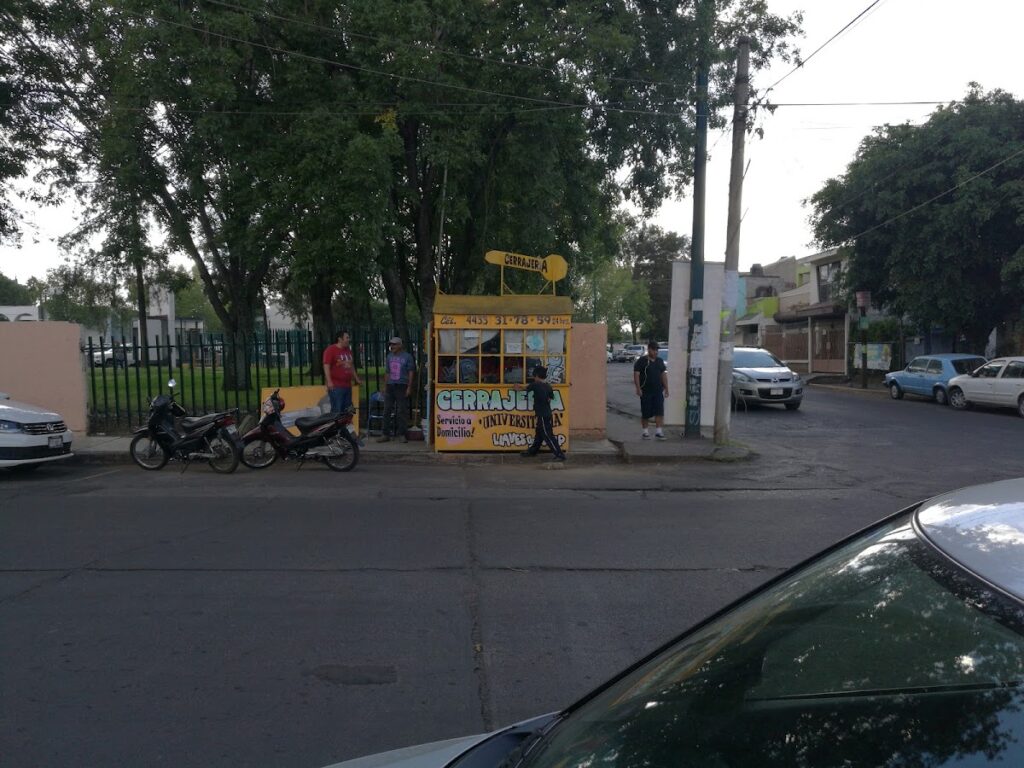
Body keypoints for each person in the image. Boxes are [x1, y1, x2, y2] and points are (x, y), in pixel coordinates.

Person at [518, 365, 566, 462]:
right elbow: (551, 397)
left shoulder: (535, 385)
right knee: (539, 434)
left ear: (536, 376)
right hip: (546, 414)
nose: (534, 378)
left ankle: (560, 455)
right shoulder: (548, 386)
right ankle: (533, 451)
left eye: (534, 376)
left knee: (548, 435)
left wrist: (517, 387)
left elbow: (525, 389)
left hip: (543, 415)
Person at [378, 336, 416, 443]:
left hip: (402, 385)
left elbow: (411, 372)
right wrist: (385, 386)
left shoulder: (407, 357)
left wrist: (409, 386)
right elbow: (387, 372)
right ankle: (385, 434)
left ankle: (402, 433)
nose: (392, 346)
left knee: (401, 410)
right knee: (386, 410)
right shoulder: (389, 356)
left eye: (394, 344)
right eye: (391, 344)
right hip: (390, 385)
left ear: (400, 345)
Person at [633, 341, 669, 440]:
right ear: (649, 349)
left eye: (657, 350)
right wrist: (638, 388)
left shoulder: (659, 361)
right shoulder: (642, 361)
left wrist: (666, 388)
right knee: (646, 412)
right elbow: (636, 375)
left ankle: (659, 432)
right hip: (646, 391)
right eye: (653, 349)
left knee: (659, 411)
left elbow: (663, 375)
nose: (655, 352)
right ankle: (645, 432)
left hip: (658, 391)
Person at [322, 330, 361, 414]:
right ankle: (336, 423)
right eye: (347, 338)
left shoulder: (348, 350)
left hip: (347, 385)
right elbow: (326, 365)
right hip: (336, 386)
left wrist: (356, 378)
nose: (348, 339)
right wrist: (329, 381)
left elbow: (351, 365)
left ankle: (345, 423)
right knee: (337, 410)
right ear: (340, 339)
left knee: (348, 410)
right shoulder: (331, 350)